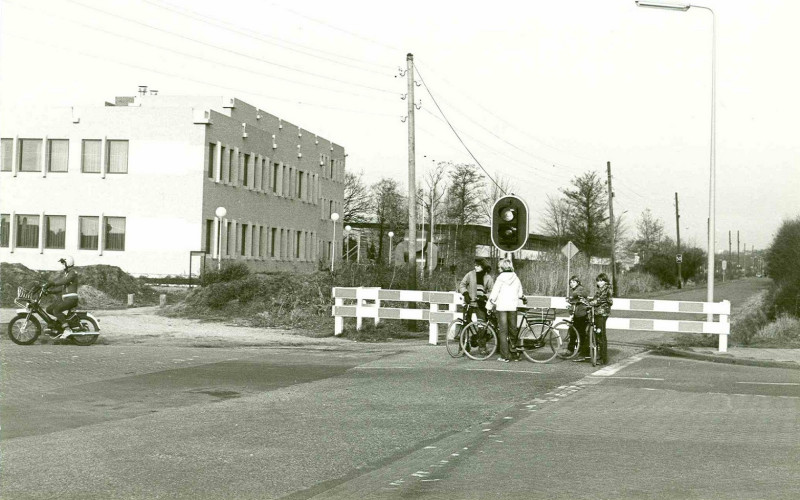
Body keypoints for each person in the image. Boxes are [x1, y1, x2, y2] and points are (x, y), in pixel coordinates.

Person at [487, 258, 526, 362]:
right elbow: (520, 293)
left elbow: (494, 293)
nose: (499, 269)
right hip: (512, 307)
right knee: (513, 330)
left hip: (502, 307)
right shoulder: (516, 278)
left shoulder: (500, 278)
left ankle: (505, 356)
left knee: (503, 332)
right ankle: (515, 354)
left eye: (499, 267)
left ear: (503, 267)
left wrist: (489, 306)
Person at [44, 256, 80, 339]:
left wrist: (52, 283)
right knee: (49, 309)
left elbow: (65, 281)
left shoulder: (73, 272)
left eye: (63, 263)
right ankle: (62, 323)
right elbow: (61, 288)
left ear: (68, 263)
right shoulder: (67, 273)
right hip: (66, 299)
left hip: (71, 299)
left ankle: (67, 329)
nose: (62, 264)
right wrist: (49, 291)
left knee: (56, 310)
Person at [587, 272, 613, 364]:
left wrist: (591, 303)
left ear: (605, 281)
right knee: (598, 334)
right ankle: (599, 355)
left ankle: (603, 358)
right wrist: (589, 300)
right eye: (598, 281)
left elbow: (602, 299)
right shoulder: (600, 289)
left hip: (602, 313)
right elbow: (595, 298)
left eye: (601, 281)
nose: (599, 283)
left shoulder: (606, 289)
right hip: (598, 313)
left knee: (601, 335)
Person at [458, 258, 494, 322]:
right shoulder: (470, 274)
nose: (475, 267)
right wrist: (465, 294)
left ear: (483, 266)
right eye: (475, 265)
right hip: (469, 302)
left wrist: (485, 296)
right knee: (466, 322)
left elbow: (492, 291)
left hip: (481, 303)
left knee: (482, 323)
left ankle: (481, 332)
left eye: (478, 266)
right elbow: (462, 285)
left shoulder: (488, 277)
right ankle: (466, 331)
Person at [565, 275, 588, 358]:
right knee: (573, 331)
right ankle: (574, 350)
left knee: (579, 332)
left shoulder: (580, 289)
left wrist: (571, 297)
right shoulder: (576, 290)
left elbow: (580, 294)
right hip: (578, 314)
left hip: (582, 314)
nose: (571, 284)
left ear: (578, 282)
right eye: (570, 282)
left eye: (573, 282)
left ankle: (579, 351)